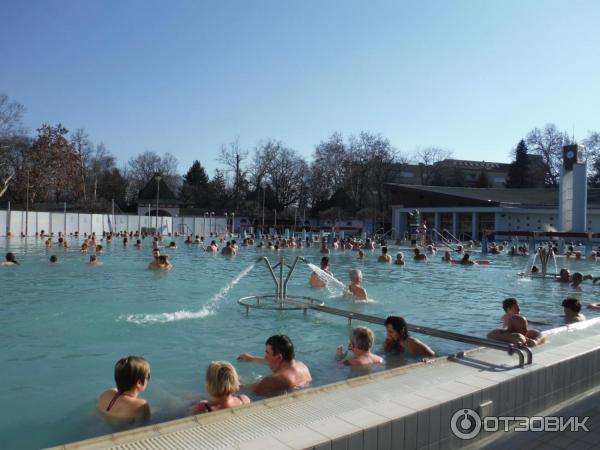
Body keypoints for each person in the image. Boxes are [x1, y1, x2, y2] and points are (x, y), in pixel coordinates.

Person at [237, 335, 312, 396]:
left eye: (267, 353)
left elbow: (244, 390)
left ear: (279, 357)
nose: (265, 357)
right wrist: (252, 359)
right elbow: (274, 361)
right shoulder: (302, 366)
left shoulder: (275, 380)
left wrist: (233, 381)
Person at [96, 356, 151, 421]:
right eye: (148, 377)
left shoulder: (106, 394)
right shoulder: (141, 406)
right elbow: (144, 426)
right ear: (139, 383)